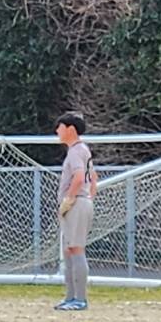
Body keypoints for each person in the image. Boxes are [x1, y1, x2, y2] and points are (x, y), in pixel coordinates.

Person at [54, 111, 97, 311]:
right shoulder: (81, 150)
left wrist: (70, 199)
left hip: (77, 203)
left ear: (70, 129)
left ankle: (80, 299)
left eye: (60, 127)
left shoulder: (76, 151)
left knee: (76, 249)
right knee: (68, 250)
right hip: (81, 202)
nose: (57, 131)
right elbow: (94, 178)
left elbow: (80, 178)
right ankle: (71, 297)